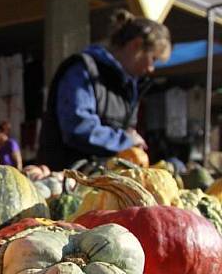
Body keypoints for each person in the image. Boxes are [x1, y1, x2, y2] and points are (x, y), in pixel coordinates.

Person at [37, 9, 171, 171]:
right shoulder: (83, 71)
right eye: (153, 59)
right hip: (68, 180)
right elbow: (78, 128)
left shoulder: (128, 86)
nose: (151, 69)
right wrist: (125, 140)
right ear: (136, 45)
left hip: (103, 180)